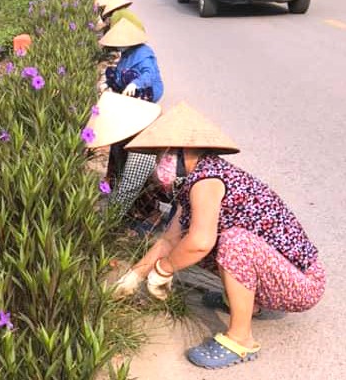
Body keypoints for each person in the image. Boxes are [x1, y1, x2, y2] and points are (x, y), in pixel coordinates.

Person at [113, 103, 325, 369]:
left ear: (189, 150)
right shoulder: (193, 181)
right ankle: (247, 303)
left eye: (169, 152)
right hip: (278, 272)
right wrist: (133, 277)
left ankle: (240, 340)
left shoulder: (207, 180)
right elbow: (170, 239)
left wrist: (163, 270)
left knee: (229, 243)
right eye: (161, 153)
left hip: (302, 284)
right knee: (191, 242)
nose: (163, 160)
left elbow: (201, 242)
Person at [98, 20, 165, 223]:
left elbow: (149, 75)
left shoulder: (144, 54)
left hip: (143, 105)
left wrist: (136, 83)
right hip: (127, 108)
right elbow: (118, 76)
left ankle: (142, 207)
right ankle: (120, 192)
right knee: (118, 148)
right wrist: (107, 83)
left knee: (134, 155)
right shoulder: (126, 56)